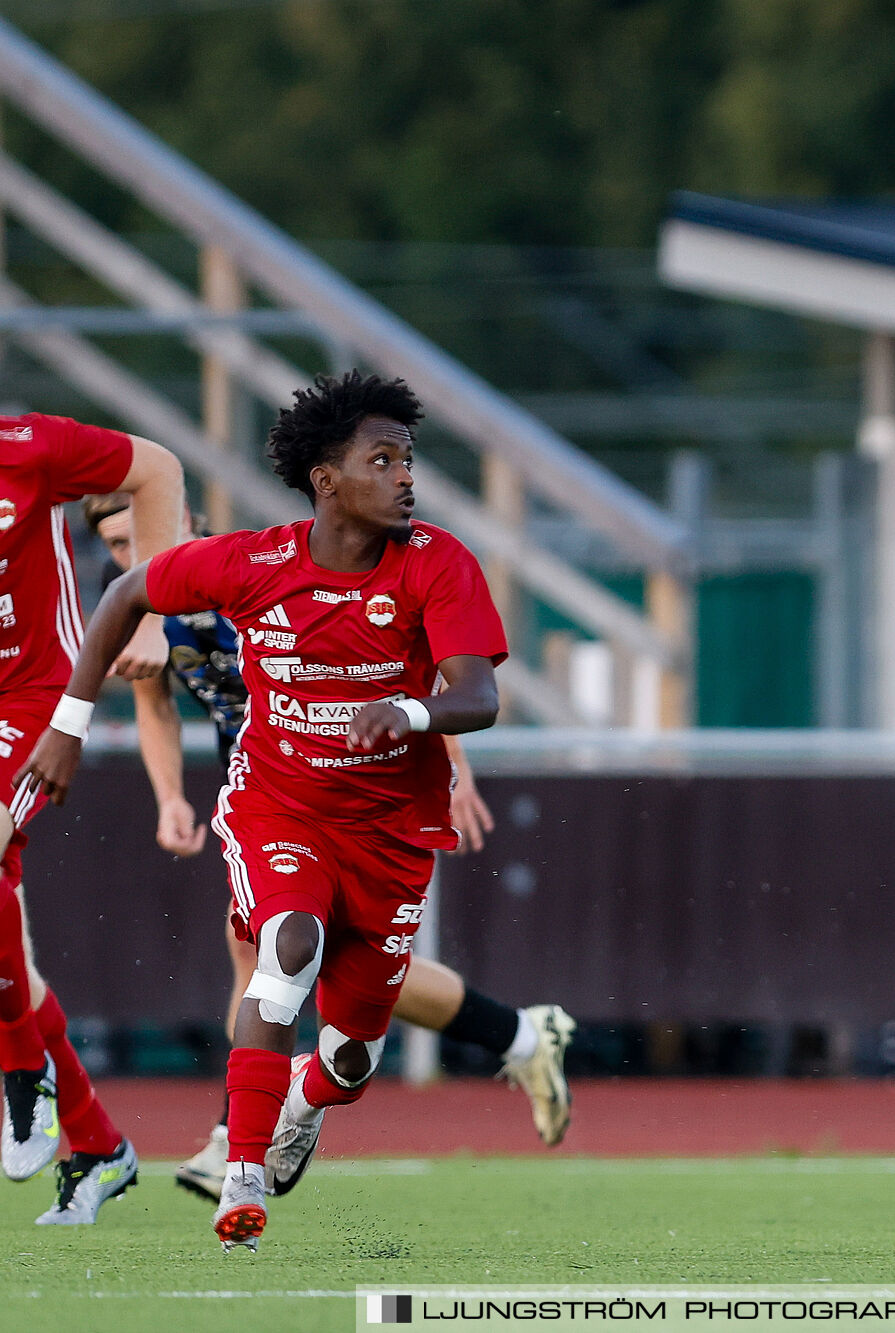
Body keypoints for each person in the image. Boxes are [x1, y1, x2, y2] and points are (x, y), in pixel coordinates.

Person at [28, 369, 507, 1252]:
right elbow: (124, 596)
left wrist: (406, 710)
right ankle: (240, 1174)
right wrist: (68, 723)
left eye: (408, 459)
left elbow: (476, 693)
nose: (407, 476)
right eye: (385, 459)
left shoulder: (437, 562)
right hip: (278, 806)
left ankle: (305, 1101)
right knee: (288, 945)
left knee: (354, 1053)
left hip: (394, 832)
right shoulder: (254, 561)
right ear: (327, 480)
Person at [82, 495, 576, 1202]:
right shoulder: (149, 600)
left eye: (138, 537)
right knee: (273, 952)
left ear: (182, 518)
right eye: (117, 545)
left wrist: (454, 769)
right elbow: (154, 700)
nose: (130, 555)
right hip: (271, 787)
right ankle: (247, 1131)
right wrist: (168, 796)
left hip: (355, 781)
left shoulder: (243, 570)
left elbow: (398, 665)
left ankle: (519, 1037)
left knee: (319, 961)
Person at [0, 410, 184, 1226]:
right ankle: (97, 1140)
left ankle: (19, 1071)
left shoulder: (26, 446)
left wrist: (149, 608)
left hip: (33, 693)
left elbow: (159, 469)